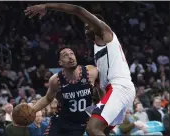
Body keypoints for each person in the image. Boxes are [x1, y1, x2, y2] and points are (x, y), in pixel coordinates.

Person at [25, 3, 136, 136]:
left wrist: (47, 6)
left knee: (92, 129)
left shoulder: (105, 33)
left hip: (119, 88)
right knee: (103, 131)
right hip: (114, 91)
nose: (86, 28)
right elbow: (100, 86)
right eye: (84, 27)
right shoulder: (98, 47)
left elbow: (78, 10)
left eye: (88, 25)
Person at [20, 47, 98, 136]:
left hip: (81, 123)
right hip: (61, 122)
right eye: (65, 55)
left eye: (72, 53)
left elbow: (103, 89)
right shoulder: (56, 80)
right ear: (60, 62)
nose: (70, 57)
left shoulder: (91, 72)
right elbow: (48, 98)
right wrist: (32, 111)